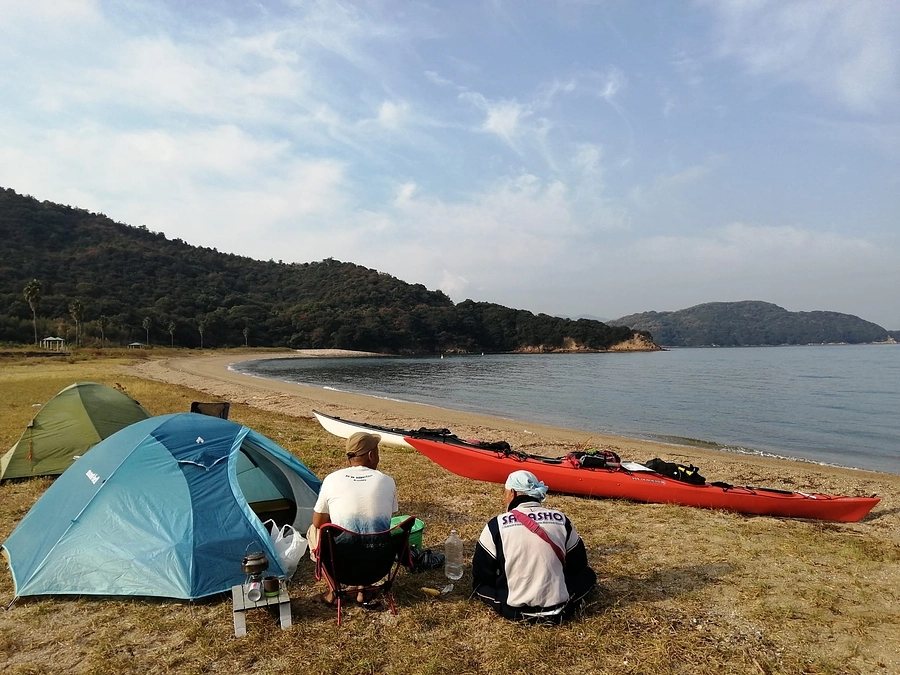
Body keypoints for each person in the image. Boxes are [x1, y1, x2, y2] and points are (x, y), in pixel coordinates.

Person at [472, 470, 596, 622]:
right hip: (559, 610)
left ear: (512, 493)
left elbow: (481, 572)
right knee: (588, 575)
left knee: (480, 586)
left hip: (514, 611)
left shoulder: (496, 525)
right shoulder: (561, 519)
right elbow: (579, 564)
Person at [308, 431, 398, 606]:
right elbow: (388, 516)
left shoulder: (332, 479)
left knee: (315, 529)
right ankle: (363, 590)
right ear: (372, 455)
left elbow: (318, 522)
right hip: (378, 564)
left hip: (342, 566)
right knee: (371, 528)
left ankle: (334, 592)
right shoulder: (387, 481)